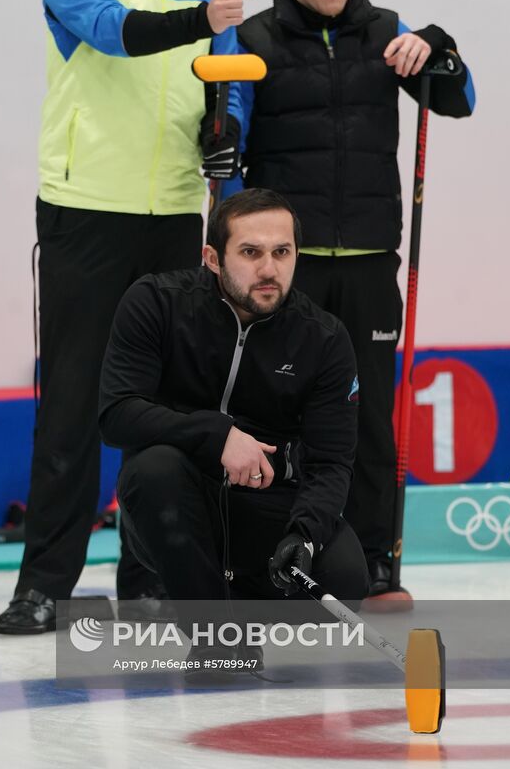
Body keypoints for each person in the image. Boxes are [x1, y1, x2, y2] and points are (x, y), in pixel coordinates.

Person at [0, 0, 248, 635]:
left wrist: (226, 138)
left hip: (175, 215)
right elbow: (110, 33)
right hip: (85, 211)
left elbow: (229, 88)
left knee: (164, 408)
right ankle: (45, 588)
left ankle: (146, 579)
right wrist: (198, 19)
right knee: (71, 404)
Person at [229, 0, 476, 598]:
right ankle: (264, 558)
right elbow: (225, 147)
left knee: (369, 413)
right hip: (286, 266)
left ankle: (375, 560)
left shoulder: (386, 33)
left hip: (370, 259)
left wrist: (439, 46)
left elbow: (459, 100)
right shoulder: (252, 39)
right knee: (274, 409)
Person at [98, 188, 369, 667]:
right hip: (174, 505)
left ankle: (235, 598)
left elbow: (331, 463)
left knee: (345, 580)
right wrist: (218, 435)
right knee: (155, 468)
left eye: (281, 252)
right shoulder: (156, 303)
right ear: (212, 258)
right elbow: (117, 413)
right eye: (251, 252)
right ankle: (215, 637)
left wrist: (303, 536)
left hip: (265, 507)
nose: (269, 269)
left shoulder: (323, 337)